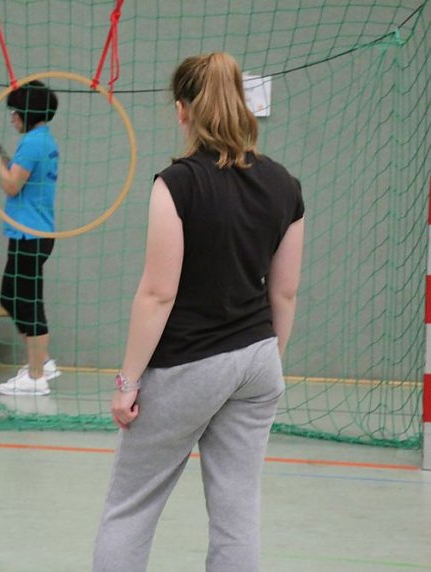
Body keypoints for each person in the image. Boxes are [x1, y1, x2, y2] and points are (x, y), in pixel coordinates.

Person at [92, 52, 305, 572]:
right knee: (238, 511)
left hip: (187, 362)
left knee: (131, 507)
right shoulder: (285, 187)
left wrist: (128, 381)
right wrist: (262, 361)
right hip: (258, 361)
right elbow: (284, 295)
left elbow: (158, 293)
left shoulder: (177, 182)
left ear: (183, 110)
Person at [0, 80, 62, 396]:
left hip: (31, 234)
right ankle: (42, 361)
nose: (12, 118)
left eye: (14, 112)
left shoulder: (32, 143)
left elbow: (11, 185)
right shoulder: (42, 140)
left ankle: (36, 375)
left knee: (28, 302)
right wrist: (2, 153)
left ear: (27, 113)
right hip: (30, 232)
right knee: (11, 296)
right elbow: (21, 175)